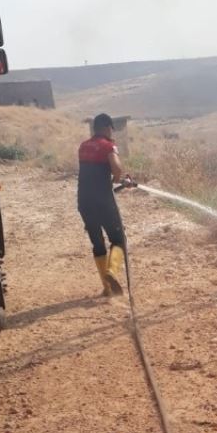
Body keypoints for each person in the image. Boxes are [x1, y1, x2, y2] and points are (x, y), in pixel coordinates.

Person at [77, 113, 127, 297]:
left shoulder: (83, 146)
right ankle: (112, 272)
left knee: (97, 243)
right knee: (119, 239)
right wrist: (118, 179)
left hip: (84, 201)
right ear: (107, 128)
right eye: (111, 129)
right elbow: (117, 169)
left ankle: (107, 288)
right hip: (103, 200)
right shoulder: (108, 146)